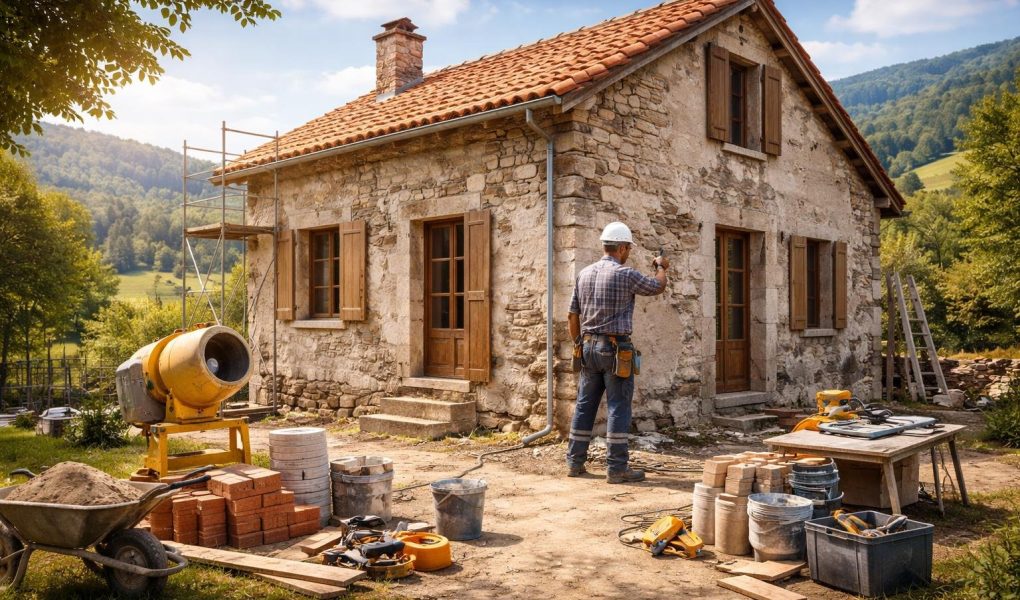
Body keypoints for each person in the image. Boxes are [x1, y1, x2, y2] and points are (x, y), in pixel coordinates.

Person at [566, 222, 669, 484]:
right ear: (622, 247)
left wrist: (579, 342)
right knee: (618, 407)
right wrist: (660, 266)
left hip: (587, 346)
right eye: (629, 249)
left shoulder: (584, 274)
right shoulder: (625, 274)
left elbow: (572, 315)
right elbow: (657, 286)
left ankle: (574, 463)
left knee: (584, 405)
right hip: (615, 349)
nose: (629, 253)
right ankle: (617, 468)